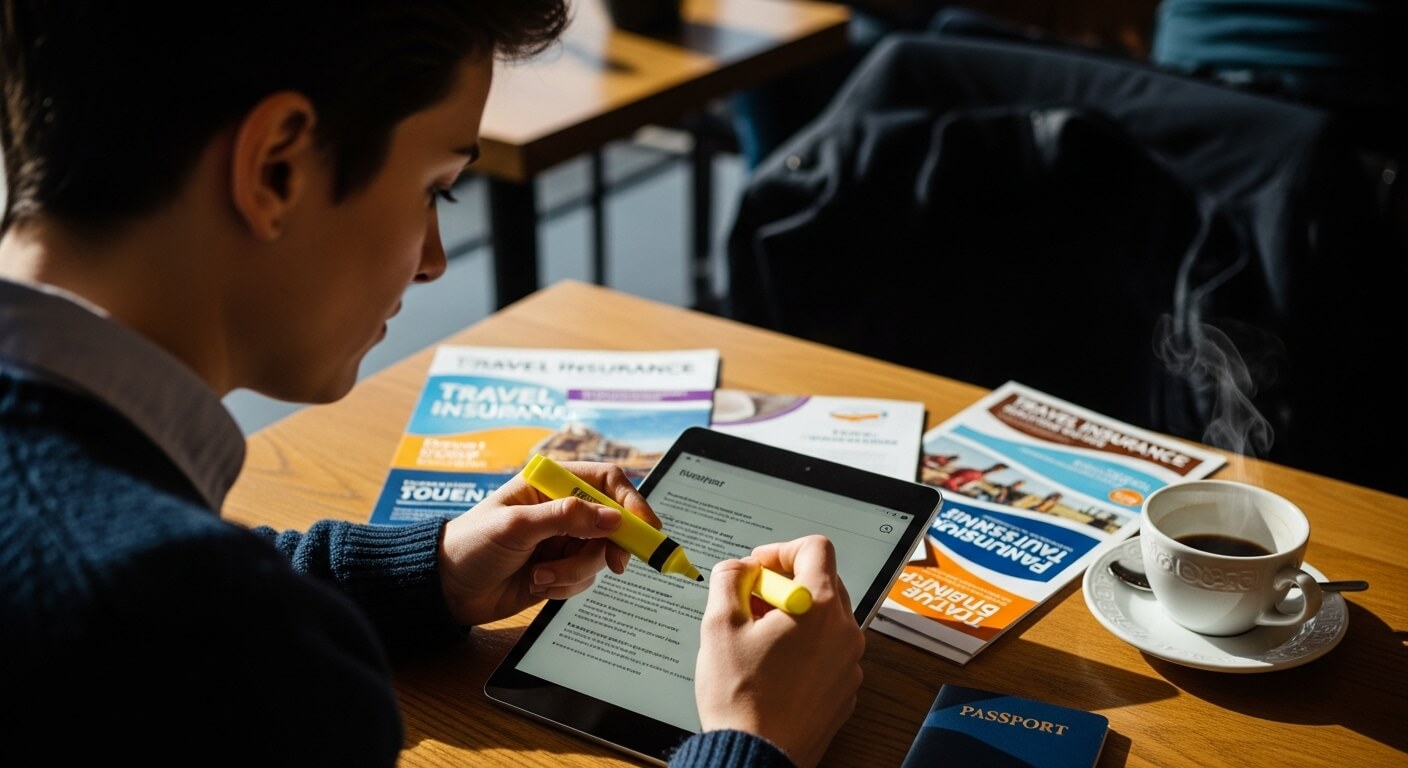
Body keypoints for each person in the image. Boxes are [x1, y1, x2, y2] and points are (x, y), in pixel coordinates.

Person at [0, 3, 862, 766]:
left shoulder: (140, 584)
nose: (435, 262)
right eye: (436, 191)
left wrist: (430, 575)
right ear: (276, 169)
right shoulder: (234, 661)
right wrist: (753, 742)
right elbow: (182, 626)